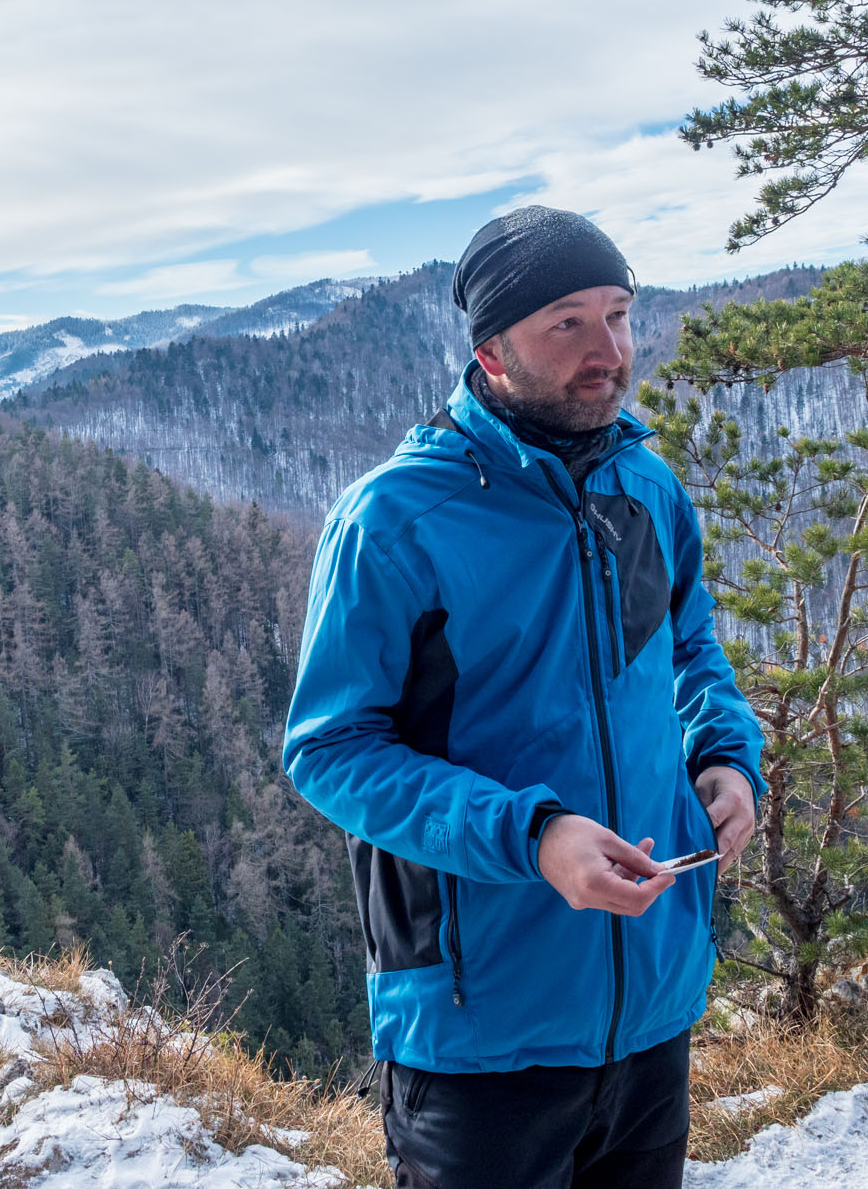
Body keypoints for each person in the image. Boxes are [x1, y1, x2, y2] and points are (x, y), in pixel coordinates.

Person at [281, 206, 765, 1189]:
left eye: (621, 315)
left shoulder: (646, 488)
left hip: (650, 1007)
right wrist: (533, 833)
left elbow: (688, 649)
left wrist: (725, 754)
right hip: (479, 1029)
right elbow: (330, 750)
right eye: (569, 324)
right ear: (491, 350)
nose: (610, 351)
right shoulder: (395, 520)